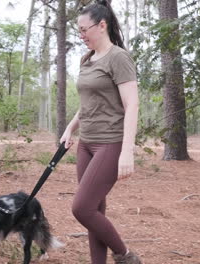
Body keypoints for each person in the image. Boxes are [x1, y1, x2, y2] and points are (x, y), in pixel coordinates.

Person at [59, 1, 142, 263]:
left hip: (110, 143)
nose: (81, 36)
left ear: (102, 25)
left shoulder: (118, 57)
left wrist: (127, 151)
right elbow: (88, 104)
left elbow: (132, 104)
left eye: (84, 30)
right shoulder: (87, 59)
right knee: (95, 210)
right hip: (87, 143)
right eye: (78, 31)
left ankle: (125, 255)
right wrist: (70, 128)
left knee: (81, 208)